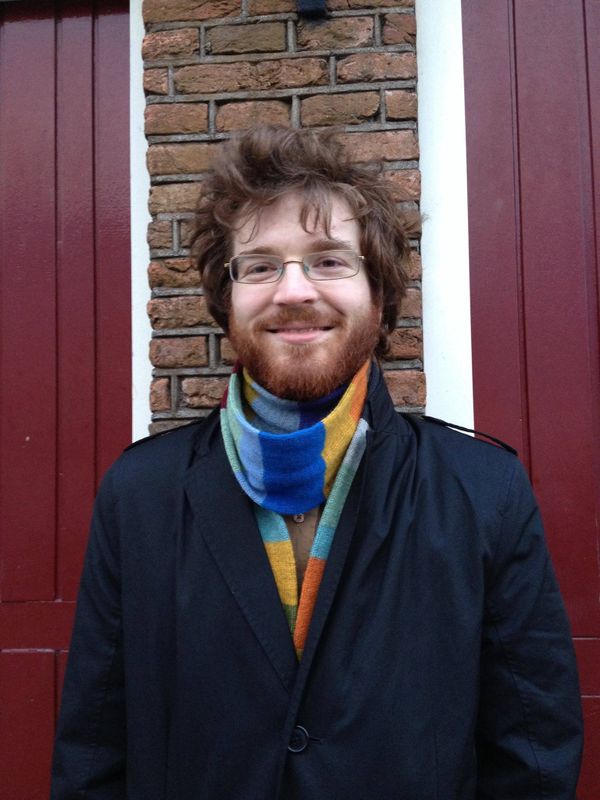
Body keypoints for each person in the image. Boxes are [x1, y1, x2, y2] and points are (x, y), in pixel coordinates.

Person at [51, 125, 582, 799]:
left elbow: (534, 756)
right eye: (260, 266)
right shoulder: (139, 495)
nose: (294, 290)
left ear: (379, 294)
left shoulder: (484, 491)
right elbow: (93, 752)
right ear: (226, 300)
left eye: (329, 261)